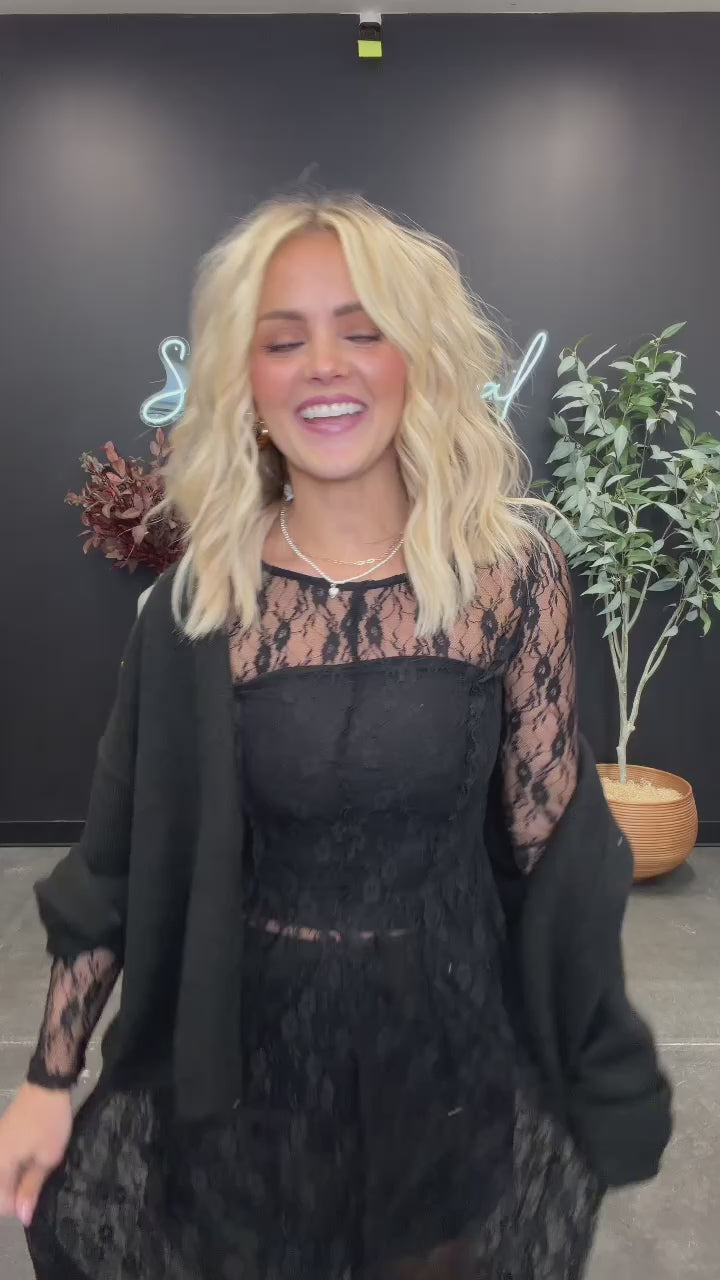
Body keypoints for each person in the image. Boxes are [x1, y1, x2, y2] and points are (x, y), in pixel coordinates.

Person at [0, 193, 671, 1280]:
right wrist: (47, 1075)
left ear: (420, 359)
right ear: (247, 383)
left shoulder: (511, 576)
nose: (324, 365)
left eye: (362, 330)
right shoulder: (200, 604)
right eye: (283, 340)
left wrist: (591, 1040)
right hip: (249, 1059)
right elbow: (118, 862)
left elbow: (552, 837)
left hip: (447, 1049)